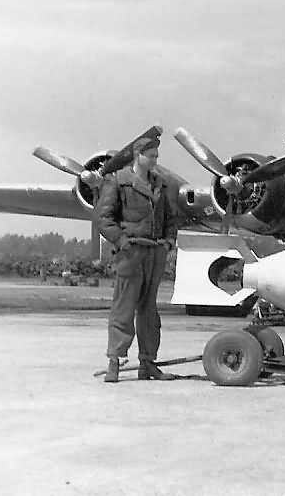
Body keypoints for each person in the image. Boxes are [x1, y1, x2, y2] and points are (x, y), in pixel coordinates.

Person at [95, 135, 179, 383]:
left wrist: (169, 241)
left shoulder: (162, 185)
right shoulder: (118, 182)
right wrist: (122, 242)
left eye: (156, 156)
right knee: (123, 308)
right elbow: (104, 218)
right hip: (131, 252)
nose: (154, 160)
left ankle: (148, 363)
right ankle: (114, 362)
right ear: (137, 155)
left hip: (154, 253)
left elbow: (172, 219)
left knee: (149, 311)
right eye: (150, 156)